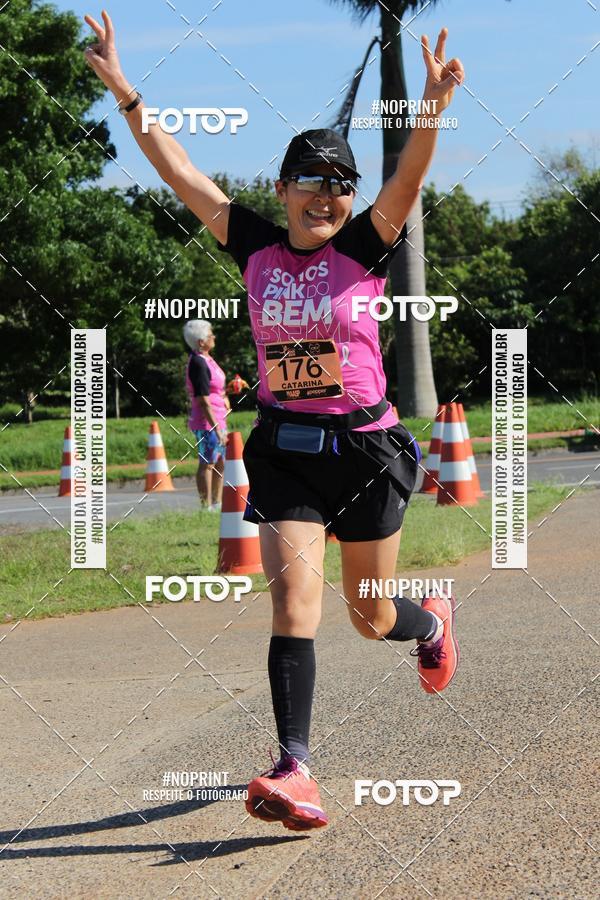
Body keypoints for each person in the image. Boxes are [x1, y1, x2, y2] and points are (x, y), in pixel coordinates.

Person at [84, 11, 464, 831]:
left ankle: (431, 622)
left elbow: (409, 181)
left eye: (340, 183)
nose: (326, 194)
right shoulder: (252, 245)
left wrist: (429, 107)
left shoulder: (365, 247)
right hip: (285, 449)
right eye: (310, 180)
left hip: (365, 449)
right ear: (282, 188)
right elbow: (179, 170)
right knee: (294, 605)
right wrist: (126, 93)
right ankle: (295, 768)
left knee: (371, 616)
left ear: (352, 199)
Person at [183, 319, 229, 510]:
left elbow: (215, 389)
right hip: (206, 422)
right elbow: (203, 399)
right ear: (201, 341)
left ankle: (217, 502)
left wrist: (226, 395)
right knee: (208, 462)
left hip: (218, 417)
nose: (214, 337)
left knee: (220, 462)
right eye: (210, 335)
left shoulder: (208, 359)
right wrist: (216, 427)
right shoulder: (198, 363)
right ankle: (206, 505)